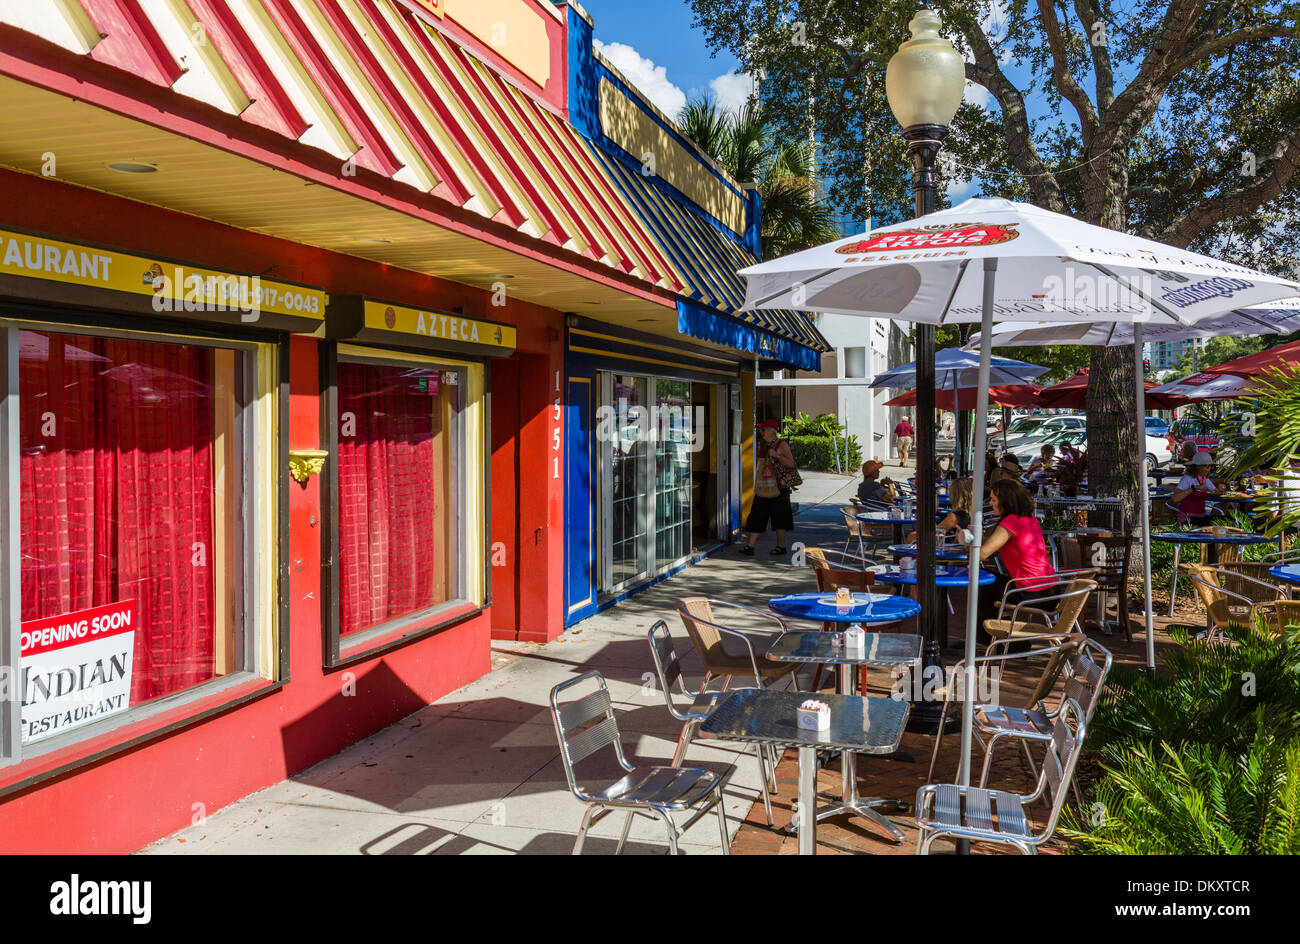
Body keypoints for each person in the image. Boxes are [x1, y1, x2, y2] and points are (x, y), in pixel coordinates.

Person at [966, 479, 1057, 627]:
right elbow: (992, 543)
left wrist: (965, 542)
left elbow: (981, 555)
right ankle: (1000, 636)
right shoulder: (1029, 518)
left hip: (1030, 592)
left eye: (994, 499)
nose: (990, 503)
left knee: (984, 580)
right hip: (1050, 590)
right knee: (991, 583)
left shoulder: (1011, 521)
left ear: (1006, 501)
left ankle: (993, 636)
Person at [741, 419, 796, 556]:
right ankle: (750, 547)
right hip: (763, 487)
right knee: (756, 516)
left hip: (778, 488)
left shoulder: (781, 444)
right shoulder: (762, 445)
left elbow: (791, 463)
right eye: (761, 430)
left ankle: (781, 546)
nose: (761, 432)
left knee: (780, 518)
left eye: (763, 429)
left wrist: (777, 455)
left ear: (772, 431)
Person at [1171, 451, 1219, 525]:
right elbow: (1175, 499)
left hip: (1200, 518)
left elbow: (1215, 492)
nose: (1209, 469)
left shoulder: (1204, 479)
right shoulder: (1187, 479)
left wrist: (1220, 489)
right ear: (1198, 466)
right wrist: (1193, 488)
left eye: (1210, 467)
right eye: (1207, 467)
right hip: (1187, 519)